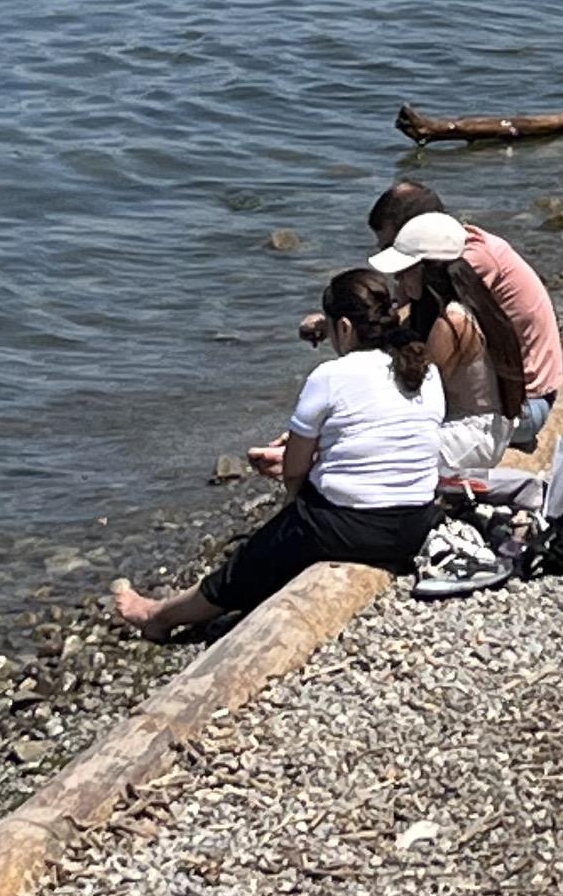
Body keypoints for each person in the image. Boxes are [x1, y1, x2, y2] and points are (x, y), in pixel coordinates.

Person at [112, 262, 446, 639]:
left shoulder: (331, 376)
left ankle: (159, 616)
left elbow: (294, 469)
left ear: (345, 328)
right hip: (416, 523)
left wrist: (292, 501)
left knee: (251, 558)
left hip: (357, 528)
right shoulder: (424, 368)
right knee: (281, 539)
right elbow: (382, 440)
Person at [368, 180, 563, 450]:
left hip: (527, 405)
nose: (395, 276)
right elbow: (402, 311)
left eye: (394, 249)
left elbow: (424, 371)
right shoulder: (448, 255)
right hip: (509, 398)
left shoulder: (466, 268)